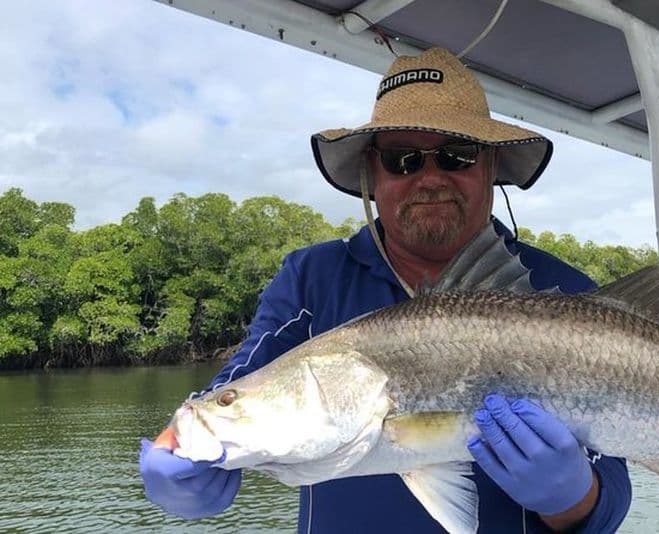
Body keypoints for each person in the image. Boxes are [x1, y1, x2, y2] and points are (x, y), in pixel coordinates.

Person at [140, 46, 632, 533]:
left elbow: (611, 497)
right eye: (404, 159)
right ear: (371, 174)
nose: (431, 178)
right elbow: (244, 376)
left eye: (457, 155)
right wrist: (181, 455)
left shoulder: (565, 294)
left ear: (490, 166)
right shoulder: (311, 279)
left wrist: (571, 497)